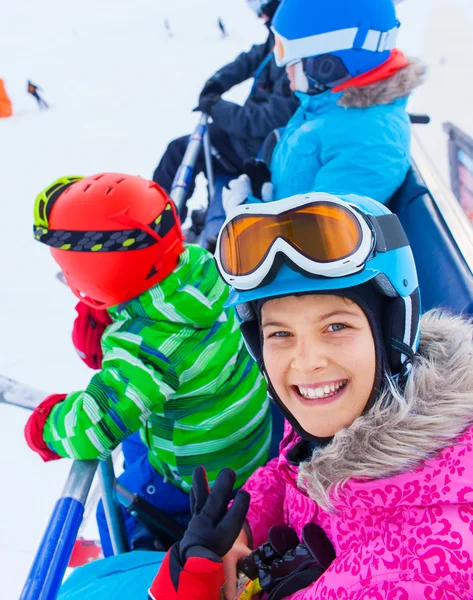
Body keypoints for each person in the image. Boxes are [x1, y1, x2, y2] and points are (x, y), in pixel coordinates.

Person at [149, 191, 473, 598]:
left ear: (392, 334)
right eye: (280, 333)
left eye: (336, 326)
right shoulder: (353, 409)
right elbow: (291, 471)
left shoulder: (417, 570)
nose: (305, 362)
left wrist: (192, 592)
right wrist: (241, 528)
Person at [24, 173, 271, 554]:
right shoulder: (201, 267)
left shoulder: (146, 345)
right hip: (247, 438)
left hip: (203, 480)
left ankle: (137, 552)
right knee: (138, 439)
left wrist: (48, 425)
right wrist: (116, 311)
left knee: (115, 508)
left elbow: (93, 427)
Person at [223, 0, 427, 214]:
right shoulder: (326, 104)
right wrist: (266, 191)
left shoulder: (369, 140)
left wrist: (246, 211)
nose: (286, 72)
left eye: (292, 61)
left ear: (327, 66)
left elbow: (319, 239)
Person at [153, 0, 298, 245]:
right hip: (248, 139)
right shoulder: (278, 40)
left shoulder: (295, 54)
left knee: (183, 150)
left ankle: (160, 230)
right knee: (193, 148)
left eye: (261, 8)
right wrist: (217, 83)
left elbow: (267, 119)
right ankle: (170, 222)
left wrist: (215, 107)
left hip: (259, 147)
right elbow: (250, 60)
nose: (260, 16)